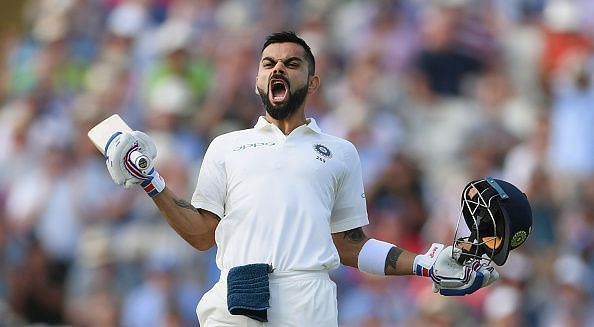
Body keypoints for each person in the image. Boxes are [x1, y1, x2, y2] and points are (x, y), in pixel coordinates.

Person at [103, 31, 498, 326]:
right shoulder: (226, 146)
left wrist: (425, 265)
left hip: (308, 305)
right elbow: (203, 234)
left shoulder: (340, 151)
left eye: (292, 63)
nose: (278, 68)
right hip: (235, 302)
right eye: (268, 63)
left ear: (312, 83)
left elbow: (350, 246)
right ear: (258, 81)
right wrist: (150, 181)